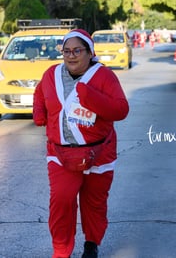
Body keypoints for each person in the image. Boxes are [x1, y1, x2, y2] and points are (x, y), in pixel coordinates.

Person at [33, 29, 129, 258]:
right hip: (60, 152)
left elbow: (120, 110)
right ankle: (61, 250)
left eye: (77, 50)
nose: (71, 56)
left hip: (100, 153)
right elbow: (39, 93)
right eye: (66, 51)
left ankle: (91, 243)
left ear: (89, 52)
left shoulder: (104, 76)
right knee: (61, 200)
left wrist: (89, 97)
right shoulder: (51, 74)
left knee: (94, 203)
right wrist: (39, 112)